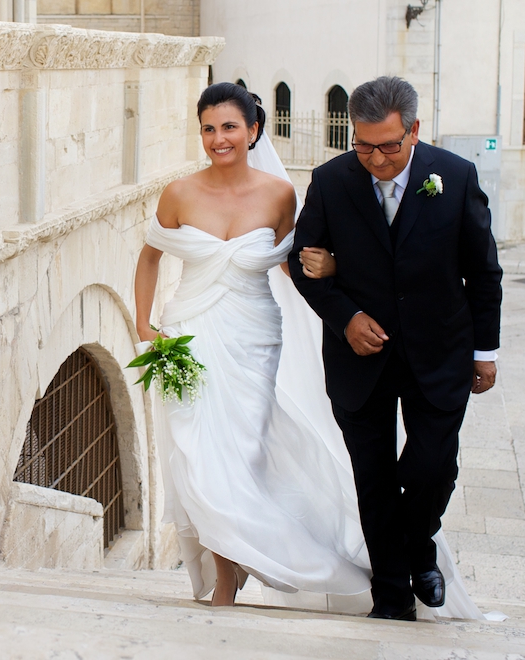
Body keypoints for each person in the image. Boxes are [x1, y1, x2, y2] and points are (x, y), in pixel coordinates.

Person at [135, 82, 372, 609]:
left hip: (253, 337)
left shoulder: (280, 194)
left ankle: (256, 555)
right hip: (189, 335)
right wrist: (143, 325)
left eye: (229, 127)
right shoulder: (178, 193)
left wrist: (332, 271)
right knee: (199, 457)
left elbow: (294, 262)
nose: (218, 138)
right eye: (208, 128)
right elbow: (149, 257)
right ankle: (226, 574)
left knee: (244, 454)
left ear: (253, 131)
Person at [289, 76, 503, 621]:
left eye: (388, 146)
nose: (377, 159)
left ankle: (419, 545)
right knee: (374, 478)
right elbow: (304, 262)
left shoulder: (454, 177)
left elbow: (483, 272)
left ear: (414, 131)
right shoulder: (331, 180)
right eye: (364, 146)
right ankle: (390, 597)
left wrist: (485, 351)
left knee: (434, 468)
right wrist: (346, 317)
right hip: (358, 358)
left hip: (440, 351)